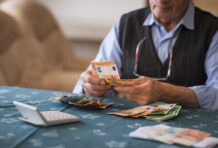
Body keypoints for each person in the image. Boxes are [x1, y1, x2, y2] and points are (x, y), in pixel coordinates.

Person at [73, 0, 218, 112]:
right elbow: (94, 79)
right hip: (129, 123)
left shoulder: (212, 30)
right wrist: (89, 86)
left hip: (190, 124)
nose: (161, 0)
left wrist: (165, 93)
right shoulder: (126, 24)